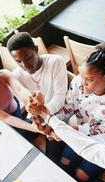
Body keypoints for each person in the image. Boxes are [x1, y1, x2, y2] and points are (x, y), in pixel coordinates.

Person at [29, 43, 105, 182]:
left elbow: (101, 130)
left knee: (82, 175)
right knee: (64, 162)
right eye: (82, 76)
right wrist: (50, 123)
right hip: (77, 134)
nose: (83, 83)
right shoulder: (78, 82)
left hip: (102, 144)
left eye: (90, 79)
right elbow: (68, 107)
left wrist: (64, 130)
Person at [7, 32, 68, 162]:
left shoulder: (55, 62)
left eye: (28, 58)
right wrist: (37, 121)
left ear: (36, 49)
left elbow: (60, 97)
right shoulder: (17, 75)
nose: (25, 65)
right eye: (18, 61)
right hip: (37, 117)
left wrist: (43, 117)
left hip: (58, 115)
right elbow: (27, 104)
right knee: (18, 143)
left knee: (52, 159)